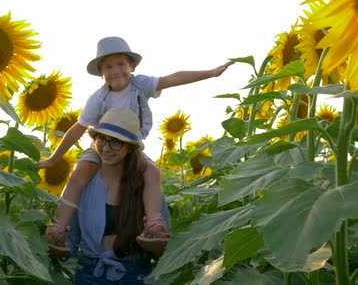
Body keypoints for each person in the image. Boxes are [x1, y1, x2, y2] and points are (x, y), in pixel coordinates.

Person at [39, 36, 233, 256]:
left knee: (151, 172)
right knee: (78, 175)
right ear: (101, 73)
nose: (115, 71)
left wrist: (210, 73)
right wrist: (53, 159)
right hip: (101, 146)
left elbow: (172, 79)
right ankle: (59, 230)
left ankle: (154, 226)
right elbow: (79, 128)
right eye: (108, 66)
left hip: (132, 146)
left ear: (132, 65)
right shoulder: (98, 98)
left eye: (120, 64)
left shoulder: (140, 85)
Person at [64, 107, 170, 284]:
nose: (106, 148)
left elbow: (164, 251)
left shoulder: (146, 188)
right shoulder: (84, 184)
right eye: (102, 139)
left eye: (115, 142)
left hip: (135, 273)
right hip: (90, 273)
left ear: (130, 148)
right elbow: (71, 241)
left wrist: (154, 242)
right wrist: (58, 244)